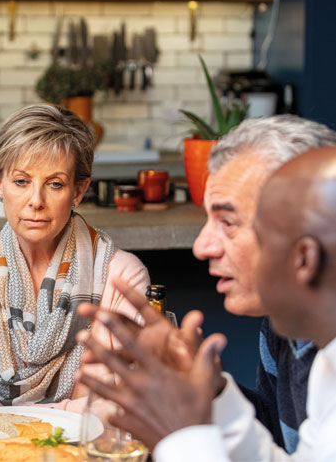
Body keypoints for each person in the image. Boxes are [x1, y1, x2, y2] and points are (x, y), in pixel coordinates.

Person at [80, 115, 336, 452]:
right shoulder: (294, 338)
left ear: (304, 255)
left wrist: (182, 435)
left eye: (227, 222)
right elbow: (285, 446)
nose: (201, 246)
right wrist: (210, 395)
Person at [0, 104, 149, 417]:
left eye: (55, 184)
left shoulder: (121, 276)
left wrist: (21, 425)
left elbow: (131, 400)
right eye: (21, 181)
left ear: (78, 191)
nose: (36, 201)